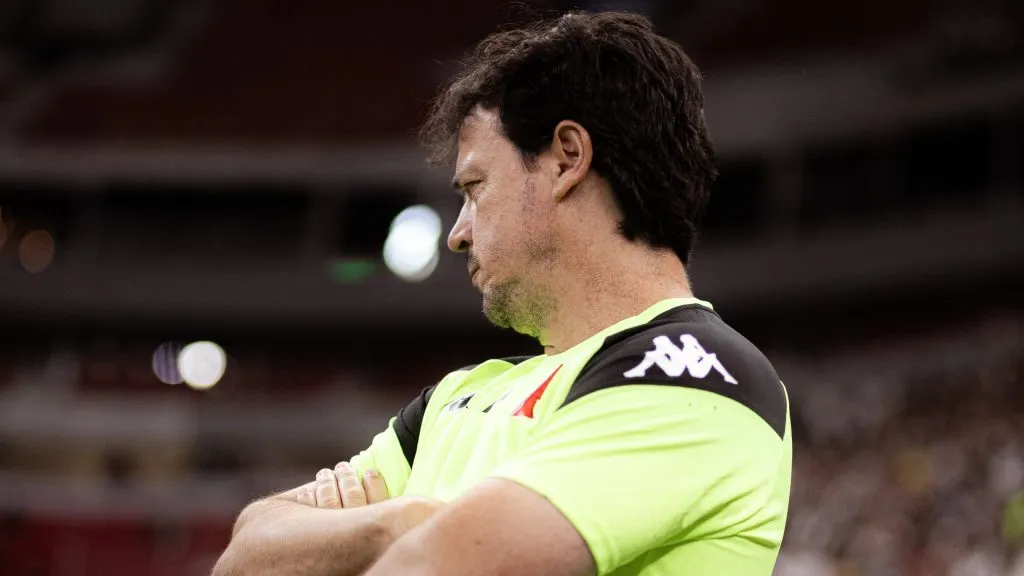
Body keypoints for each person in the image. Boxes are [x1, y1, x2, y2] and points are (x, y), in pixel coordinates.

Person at [214, 10, 791, 576]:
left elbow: (440, 566)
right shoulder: (456, 396)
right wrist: (398, 522)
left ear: (567, 158)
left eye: (475, 187)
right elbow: (245, 554)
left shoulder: (698, 375)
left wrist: (367, 539)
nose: (458, 233)